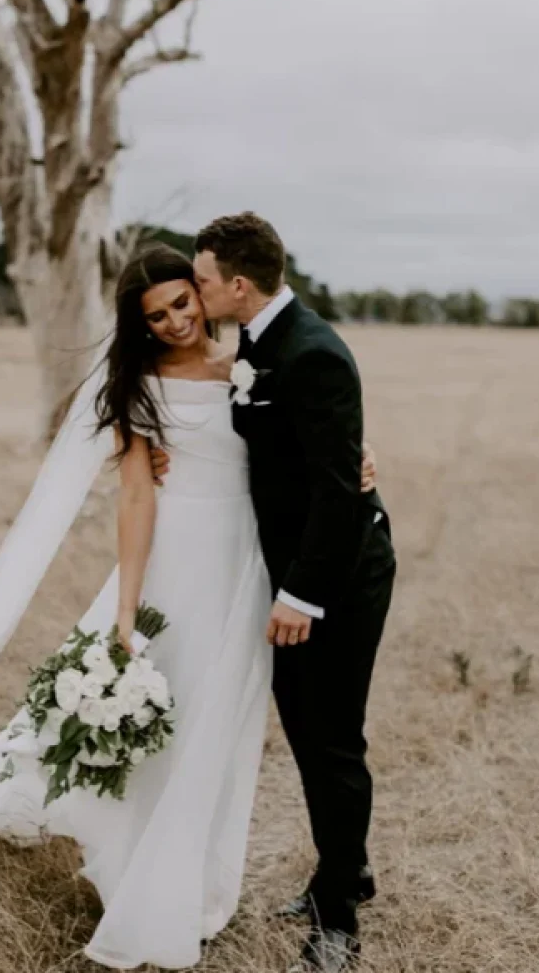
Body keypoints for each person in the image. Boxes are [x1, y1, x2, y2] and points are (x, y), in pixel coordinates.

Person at [0, 242, 379, 970]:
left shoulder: (252, 372)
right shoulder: (141, 389)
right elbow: (136, 498)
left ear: (208, 294)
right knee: (169, 716)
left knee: (219, 727)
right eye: (155, 315)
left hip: (248, 566)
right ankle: (144, 872)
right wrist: (126, 612)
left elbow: (305, 447)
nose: (172, 321)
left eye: (181, 302)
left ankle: (207, 878)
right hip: (178, 563)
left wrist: (359, 457)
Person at [152, 213, 396, 972]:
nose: (192, 291)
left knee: (330, 742)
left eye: (200, 279)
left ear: (237, 284)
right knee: (312, 735)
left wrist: (303, 597)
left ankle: (337, 924)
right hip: (292, 573)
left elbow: (335, 494)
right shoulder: (260, 341)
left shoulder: (313, 352)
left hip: (336, 580)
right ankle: (346, 869)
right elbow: (278, 439)